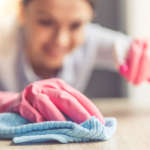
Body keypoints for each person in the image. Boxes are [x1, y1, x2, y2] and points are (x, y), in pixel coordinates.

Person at [0, 0, 149, 93]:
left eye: (75, 25)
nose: (61, 40)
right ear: (22, 13)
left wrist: (143, 55)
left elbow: (130, 49)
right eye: (46, 22)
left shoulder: (90, 39)